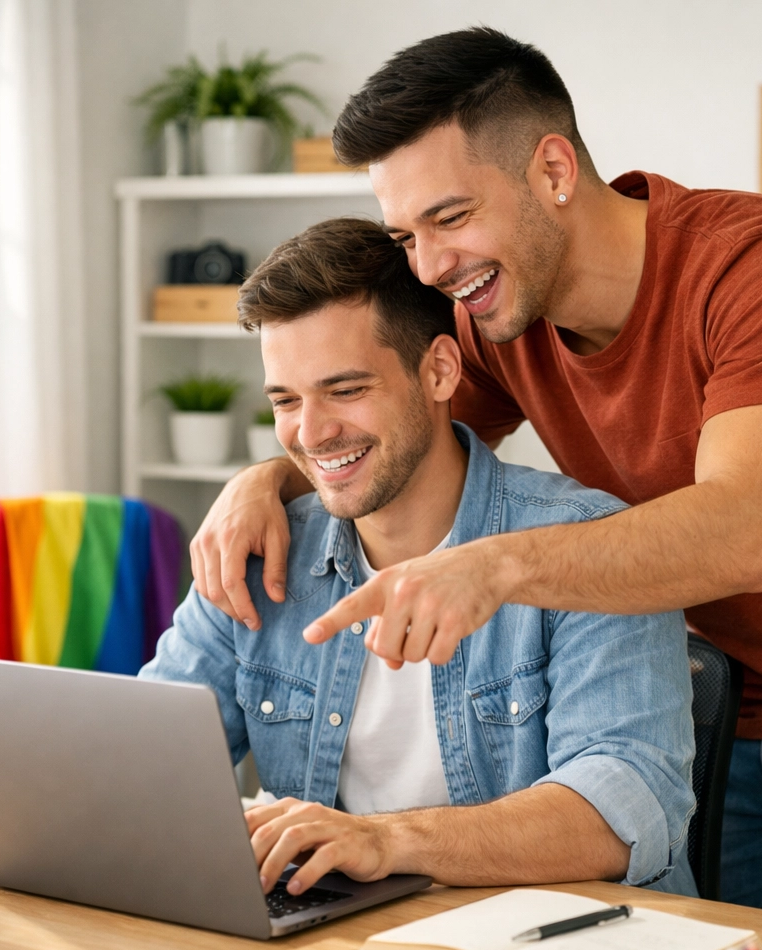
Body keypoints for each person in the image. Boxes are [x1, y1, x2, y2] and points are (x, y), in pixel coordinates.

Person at [189, 29, 762, 931]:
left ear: (555, 171)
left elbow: (747, 532)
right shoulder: (498, 318)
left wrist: (491, 568)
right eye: (405, 235)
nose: (430, 267)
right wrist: (263, 479)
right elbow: (396, 434)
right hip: (726, 718)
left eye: (451, 218)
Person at [141, 218, 697, 900]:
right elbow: (149, 754)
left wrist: (385, 841)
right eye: (286, 400)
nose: (311, 434)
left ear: (439, 370)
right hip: (333, 949)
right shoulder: (257, 551)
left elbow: (623, 810)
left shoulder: (589, 544)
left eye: (345, 391)